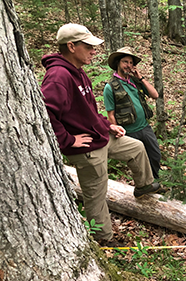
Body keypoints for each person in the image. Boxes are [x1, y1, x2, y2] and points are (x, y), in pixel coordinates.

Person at [41, 23, 161, 246]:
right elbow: (45, 113)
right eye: (89, 47)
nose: (94, 51)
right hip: (85, 148)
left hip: (99, 137)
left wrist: (108, 126)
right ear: (71, 46)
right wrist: (68, 140)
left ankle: (144, 185)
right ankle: (104, 240)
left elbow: (89, 111)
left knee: (135, 147)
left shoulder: (78, 72)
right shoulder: (58, 76)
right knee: (96, 195)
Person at [103, 47, 162, 180]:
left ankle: (156, 182)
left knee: (155, 155)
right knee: (139, 161)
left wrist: (140, 78)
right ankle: (145, 185)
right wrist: (118, 132)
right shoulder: (110, 87)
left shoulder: (136, 82)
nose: (128, 65)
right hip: (129, 131)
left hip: (144, 127)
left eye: (131, 63)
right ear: (118, 63)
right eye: (125, 62)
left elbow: (155, 95)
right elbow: (111, 114)